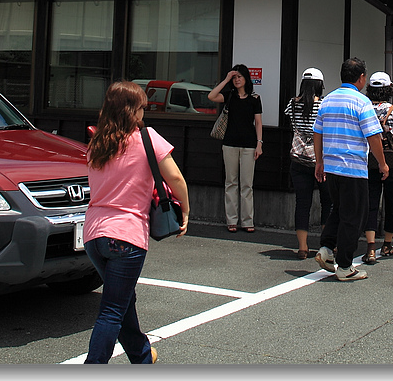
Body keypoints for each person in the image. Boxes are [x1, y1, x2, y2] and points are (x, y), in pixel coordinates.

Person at [82, 81, 190, 364]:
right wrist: (187, 211)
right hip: (126, 236)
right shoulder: (147, 138)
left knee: (123, 300)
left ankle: (142, 356)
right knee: (112, 310)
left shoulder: (96, 143)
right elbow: (175, 178)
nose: (144, 113)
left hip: (94, 234)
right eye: (142, 108)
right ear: (130, 111)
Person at [312, 57, 388, 281]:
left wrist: (319, 161)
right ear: (361, 77)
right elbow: (373, 136)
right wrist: (382, 164)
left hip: (332, 167)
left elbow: (318, 132)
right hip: (353, 168)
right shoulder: (361, 102)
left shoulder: (328, 100)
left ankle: (326, 249)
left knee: (340, 210)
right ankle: (345, 266)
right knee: (354, 217)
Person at [361, 71, 393, 264]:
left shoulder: (363, 108)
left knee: (371, 204)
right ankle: (387, 245)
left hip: (368, 162)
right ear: (389, 89)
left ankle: (370, 247)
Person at [285, 67, 333, 259]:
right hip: (321, 160)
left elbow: (292, 123)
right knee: (327, 202)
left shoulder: (292, 104)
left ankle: (302, 247)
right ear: (320, 85)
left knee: (302, 203)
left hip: (298, 158)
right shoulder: (323, 105)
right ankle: (327, 245)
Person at [208, 64, 262, 232]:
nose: (237, 80)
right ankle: (231, 220)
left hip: (249, 145)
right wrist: (225, 79)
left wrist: (260, 143)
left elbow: (258, 123)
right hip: (229, 143)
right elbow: (211, 96)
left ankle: (247, 221)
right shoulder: (229, 96)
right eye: (235, 77)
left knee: (247, 184)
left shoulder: (254, 98)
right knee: (231, 182)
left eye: (239, 76)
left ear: (246, 78)